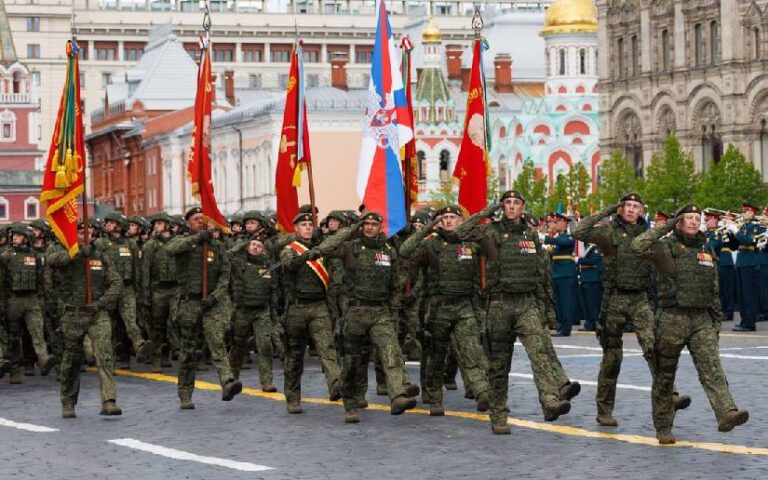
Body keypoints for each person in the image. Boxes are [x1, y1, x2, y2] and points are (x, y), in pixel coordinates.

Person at [456, 191, 580, 435]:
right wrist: (487, 210)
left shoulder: (531, 235)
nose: (511, 207)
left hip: (527, 303)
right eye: (507, 203)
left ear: (523, 207)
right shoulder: (489, 232)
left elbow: (542, 274)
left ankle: (550, 401)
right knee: (500, 365)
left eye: (516, 203)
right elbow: (459, 233)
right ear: (502, 206)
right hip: (500, 305)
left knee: (539, 352)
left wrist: (548, 310)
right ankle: (498, 415)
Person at [632, 204, 749, 444]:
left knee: (712, 367)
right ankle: (663, 426)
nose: (695, 222)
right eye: (689, 218)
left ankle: (726, 412)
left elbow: (713, 289)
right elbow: (638, 245)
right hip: (671, 318)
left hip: (700, 319)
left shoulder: (706, 250)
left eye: (698, 218)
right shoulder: (665, 248)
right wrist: (666, 226)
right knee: (665, 376)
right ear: (679, 222)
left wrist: (715, 323)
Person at [572, 193, 690, 427]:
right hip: (614, 299)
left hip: (640, 300)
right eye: (626, 205)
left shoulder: (648, 235)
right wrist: (607, 210)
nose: (630, 210)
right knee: (612, 357)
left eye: (635, 206)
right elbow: (579, 232)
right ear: (620, 208)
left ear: (641, 210)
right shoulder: (608, 232)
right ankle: (604, 408)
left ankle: (670, 395)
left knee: (654, 348)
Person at [320, 211, 419, 423]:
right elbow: (326, 247)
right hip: (356, 312)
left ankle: (397, 396)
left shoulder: (388, 250)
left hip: (380, 312)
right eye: (366, 224)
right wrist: (351, 230)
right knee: (352, 362)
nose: (369, 227)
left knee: (390, 352)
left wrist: (392, 308)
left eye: (374, 224)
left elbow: (395, 284)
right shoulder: (350, 248)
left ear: (380, 227)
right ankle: (350, 404)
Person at [399, 206, 491, 417]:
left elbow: (485, 266)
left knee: (472, 350)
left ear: (461, 220)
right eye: (445, 218)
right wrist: (427, 227)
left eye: (453, 217)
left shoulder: (470, 244)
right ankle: (434, 396)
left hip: (464, 305)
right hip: (437, 307)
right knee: (435, 354)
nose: (449, 221)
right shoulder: (429, 245)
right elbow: (405, 251)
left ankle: (482, 391)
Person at [278, 212, 355, 414]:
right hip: (296, 308)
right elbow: (289, 265)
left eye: (310, 224)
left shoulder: (321, 249)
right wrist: (306, 256)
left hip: (319, 306)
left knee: (327, 348)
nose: (307, 228)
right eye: (303, 224)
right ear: (295, 228)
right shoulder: (289, 249)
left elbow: (337, 246)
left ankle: (335, 385)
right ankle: (293, 398)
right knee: (294, 357)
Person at [166, 207, 242, 409]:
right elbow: (170, 250)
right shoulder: (183, 242)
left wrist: (215, 296)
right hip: (189, 303)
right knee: (189, 352)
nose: (201, 221)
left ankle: (227, 382)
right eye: (196, 219)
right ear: (188, 223)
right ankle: (185, 394)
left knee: (216, 340)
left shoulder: (217, 247)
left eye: (203, 218)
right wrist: (197, 239)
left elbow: (225, 277)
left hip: (211, 304)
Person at [47, 221, 123, 418]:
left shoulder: (100, 256)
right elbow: (53, 260)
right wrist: (77, 253)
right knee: (71, 360)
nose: (87, 234)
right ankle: (68, 402)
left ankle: (109, 400)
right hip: (73, 314)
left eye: (90, 231)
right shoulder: (61, 252)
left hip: (97, 314)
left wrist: (101, 303)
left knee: (105, 355)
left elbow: (116, 283)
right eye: (82, 231)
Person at [94, 212, 153, 367]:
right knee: (110, 326)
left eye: (112, 222)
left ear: (119, 226)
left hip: (127, 289)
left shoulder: (130, 244)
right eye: (107, 222)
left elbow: (136, 269)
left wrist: (139, 290)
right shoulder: (100, 243)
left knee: (130, 321)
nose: (108, 224)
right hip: (108, 290)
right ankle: (110, 359)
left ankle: (139, 346)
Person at [0, 224, 57, 382]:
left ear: (26, 238)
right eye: (13, 236)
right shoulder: (6, 256)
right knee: (14, 337)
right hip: (13, 300)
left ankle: (43, 359)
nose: (14, 238)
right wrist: (3, 303)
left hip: (32, 300)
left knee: (37, 332)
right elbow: (2, 282)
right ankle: (15, 371)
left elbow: (41, 280)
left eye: (18, 236)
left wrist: (43, 299)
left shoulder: (35, 256)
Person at [229, 237, 277, 391]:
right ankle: (231, 377)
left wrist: (274, 312)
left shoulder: (268, 265)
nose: (256, 248)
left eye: (259, 245)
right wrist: (243, 242)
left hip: (262, 310)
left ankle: (266, 381)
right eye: (253, 244)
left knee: (265, 345)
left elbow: (273, 290)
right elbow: (227, 256)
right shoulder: (239, 263)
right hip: (243, 310)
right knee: (238, 345)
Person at [139, 212, 178, 372]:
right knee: (157, 325)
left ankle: (169, 352)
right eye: (155, 224)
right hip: (158, 289)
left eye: (160, 223)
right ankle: (157, 358)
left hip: (176, 288)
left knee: (175, 321)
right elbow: (145, 271)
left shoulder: (177, 243)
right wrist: (145, 295)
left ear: (167, 225)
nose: (156, 226)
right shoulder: (150, 245)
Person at [732, 203, 766, 331]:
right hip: (741, 262)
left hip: (750, 263)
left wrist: (736, 232)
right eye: (742, 211)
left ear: (751, 213)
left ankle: (750, 323)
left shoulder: (756, 227)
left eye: (745, 211)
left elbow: (748, 241)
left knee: (748, 294)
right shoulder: (743, 226)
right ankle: (744, 320)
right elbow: (734, 246)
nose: (742, 213)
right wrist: (731, 233)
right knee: (742, 295)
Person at [545, 213, 579, 336]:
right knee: (559, 303)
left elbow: (562, 242)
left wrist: (545, 238)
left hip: (566, 274)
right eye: (555, 222)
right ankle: (561, 325)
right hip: (557, 273)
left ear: (565, 223)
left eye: (558, 222)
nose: (555, 224)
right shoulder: (558, 237)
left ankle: (566, 328)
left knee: (566, 302)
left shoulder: (568, 237)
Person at [704, 211, 737, 323]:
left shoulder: (721, 232)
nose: (706, 222)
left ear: (714, 220)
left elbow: (714, 245)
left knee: (726, 289)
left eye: (707, 220)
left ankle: (728, 312)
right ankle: (720, 310)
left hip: (725, 263)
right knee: (718, 290)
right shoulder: (708, 233)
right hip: (715, 264)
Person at [577, 243, 603, 332]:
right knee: (585, 304)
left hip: (593, 278)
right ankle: (589, 323)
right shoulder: (588, 247)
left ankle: (595, 323)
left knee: (593, 304)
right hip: (585, 277)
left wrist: (579, 260)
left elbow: (594, 261)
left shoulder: (596, 248)